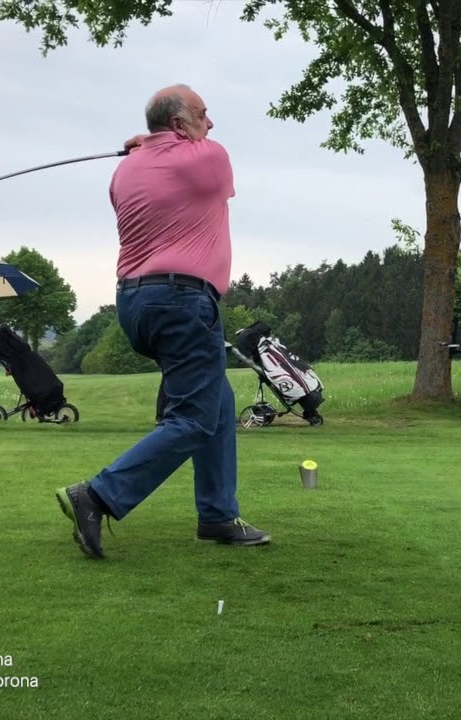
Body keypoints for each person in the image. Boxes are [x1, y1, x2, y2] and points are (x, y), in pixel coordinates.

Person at [55, 83, 269, 559]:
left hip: (134, 304)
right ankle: (99, 494)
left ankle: (217, 514)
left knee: (217, 402)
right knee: (193, 418)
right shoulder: (207, 159)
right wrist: (157, 142)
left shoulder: (123, 171)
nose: (210, 124)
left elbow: (160, 168)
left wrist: (144, 145)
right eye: (202, 114)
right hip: (182, 300)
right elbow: (202, 166)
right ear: (179, 124)